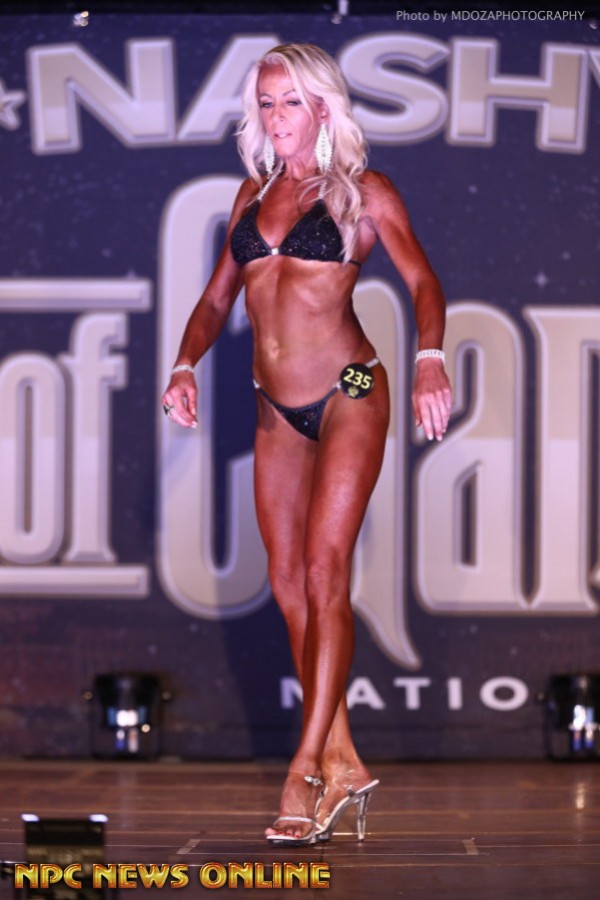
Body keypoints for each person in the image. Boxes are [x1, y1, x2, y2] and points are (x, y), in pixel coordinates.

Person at [161, 42, 452, 847]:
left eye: (290, 100)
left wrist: (430, 359)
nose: (275, 115)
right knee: (287, 581)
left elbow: (423, 281)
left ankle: (305, 772)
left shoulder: (366, 192)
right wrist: (184, 364)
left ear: (323, 108)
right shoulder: (252, 194)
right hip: (274, 406)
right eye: (265, 101)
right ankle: (345, 758)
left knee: (326, 571)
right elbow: (216, 299)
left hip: (352, 388)